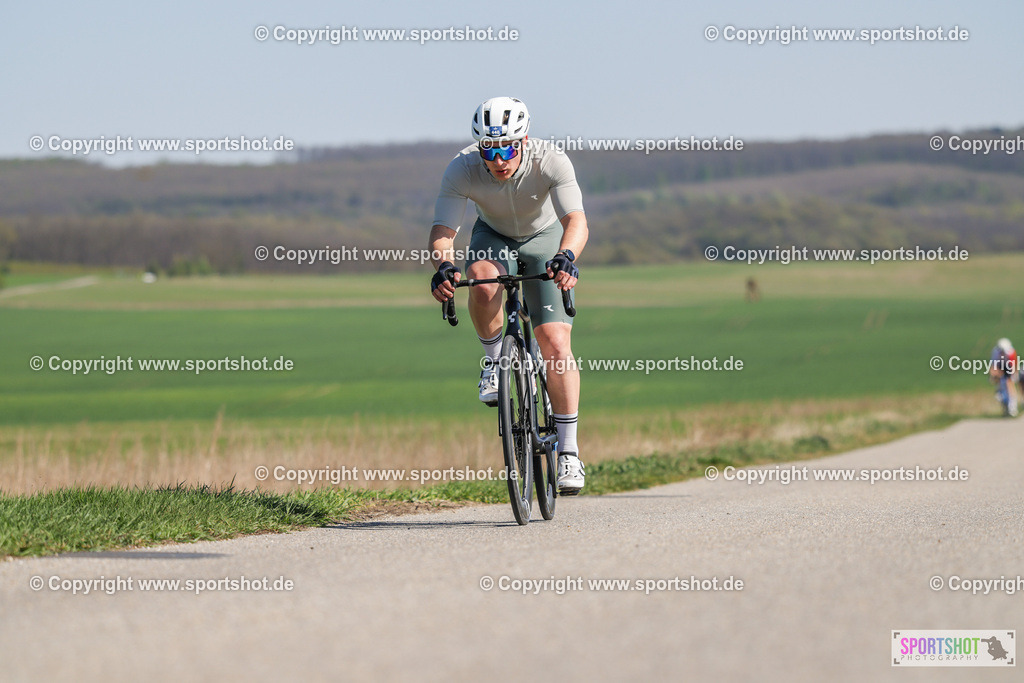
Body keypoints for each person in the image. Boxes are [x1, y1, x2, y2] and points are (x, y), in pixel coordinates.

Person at [428, 97, 589, 494]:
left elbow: (576, 220)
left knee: (555, 342)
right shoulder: (461, 168)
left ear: (524, 141)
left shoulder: (551, 160)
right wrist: (444, 267)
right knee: (482, 281)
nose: (499, 160)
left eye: (507, 149)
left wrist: (567, 257)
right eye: (489, 150)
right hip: (493, 237)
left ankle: (569, 453)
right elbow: (443, 232)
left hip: (544, 238)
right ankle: (494, 359)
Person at [989, 337, 1019, 417]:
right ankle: (1004, 404)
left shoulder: (1011, 351)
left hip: (1008, 369)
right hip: (1000, 370)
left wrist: (1015, 373)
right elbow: (994, 367)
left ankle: (1012, 407)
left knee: (1010, 386)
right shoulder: (996, 353)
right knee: (1000, 391)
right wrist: (994, 376)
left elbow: (1014, 363)